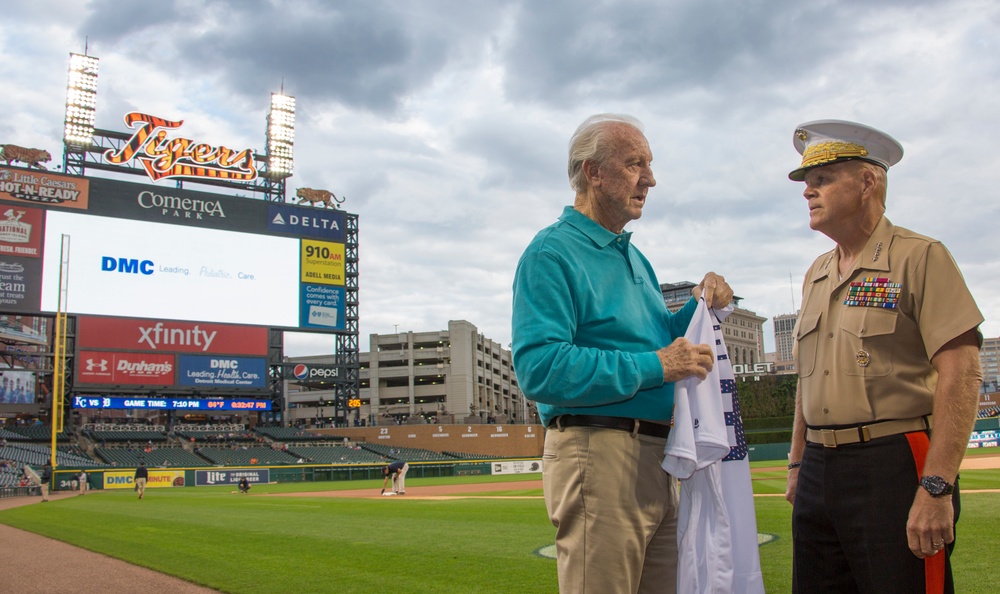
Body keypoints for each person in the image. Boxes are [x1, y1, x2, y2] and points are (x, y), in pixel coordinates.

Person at [511, 113, 733, 593]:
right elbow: (540, 367)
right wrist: (658, 365)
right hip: (599, 453)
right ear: (593, 172)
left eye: (648, 165)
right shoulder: (551, 253)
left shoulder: (634, 257)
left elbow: (657, 344)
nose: (650, 179)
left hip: (659, 455)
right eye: (635, 164)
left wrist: (701, 305)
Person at [784, 120, 984, 594]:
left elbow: (963, 373)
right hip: (817, 469)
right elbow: (807, 383)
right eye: (807, 183)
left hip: (893, 462)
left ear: (868, 182)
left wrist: (937, 487)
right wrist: (796, 465)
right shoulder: (817, 273)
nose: (808, 192)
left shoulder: (920, 257)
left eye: (823, 179)